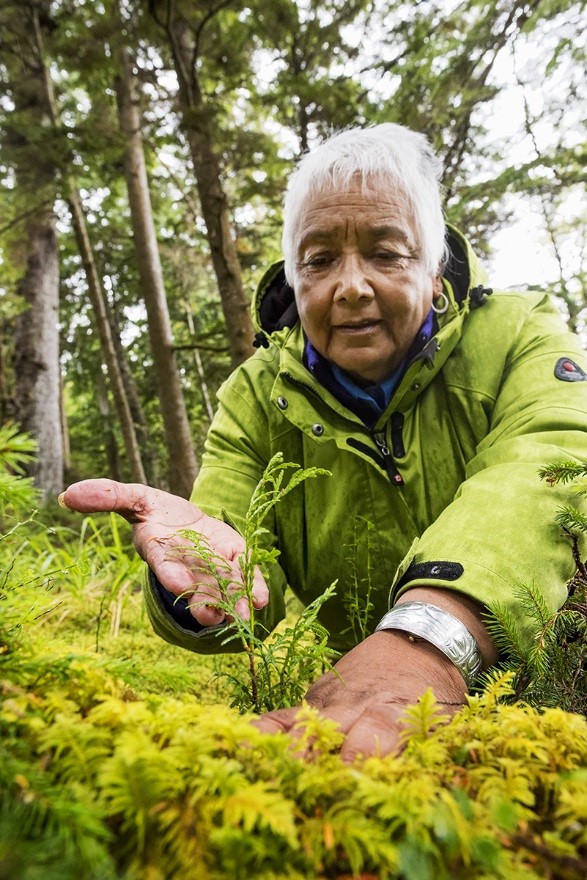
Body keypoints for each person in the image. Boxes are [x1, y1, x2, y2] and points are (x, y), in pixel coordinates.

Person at [61, 123, 587, 761]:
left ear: (434, 265)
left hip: (553, 685)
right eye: (319, 260)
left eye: (386, 252)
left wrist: (425, 640)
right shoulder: (256, 395)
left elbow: (548, 462)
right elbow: (234, 541)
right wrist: (203, 580)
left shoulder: (521, 335)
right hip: (358, 711)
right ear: (294, 274)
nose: (351, 286)